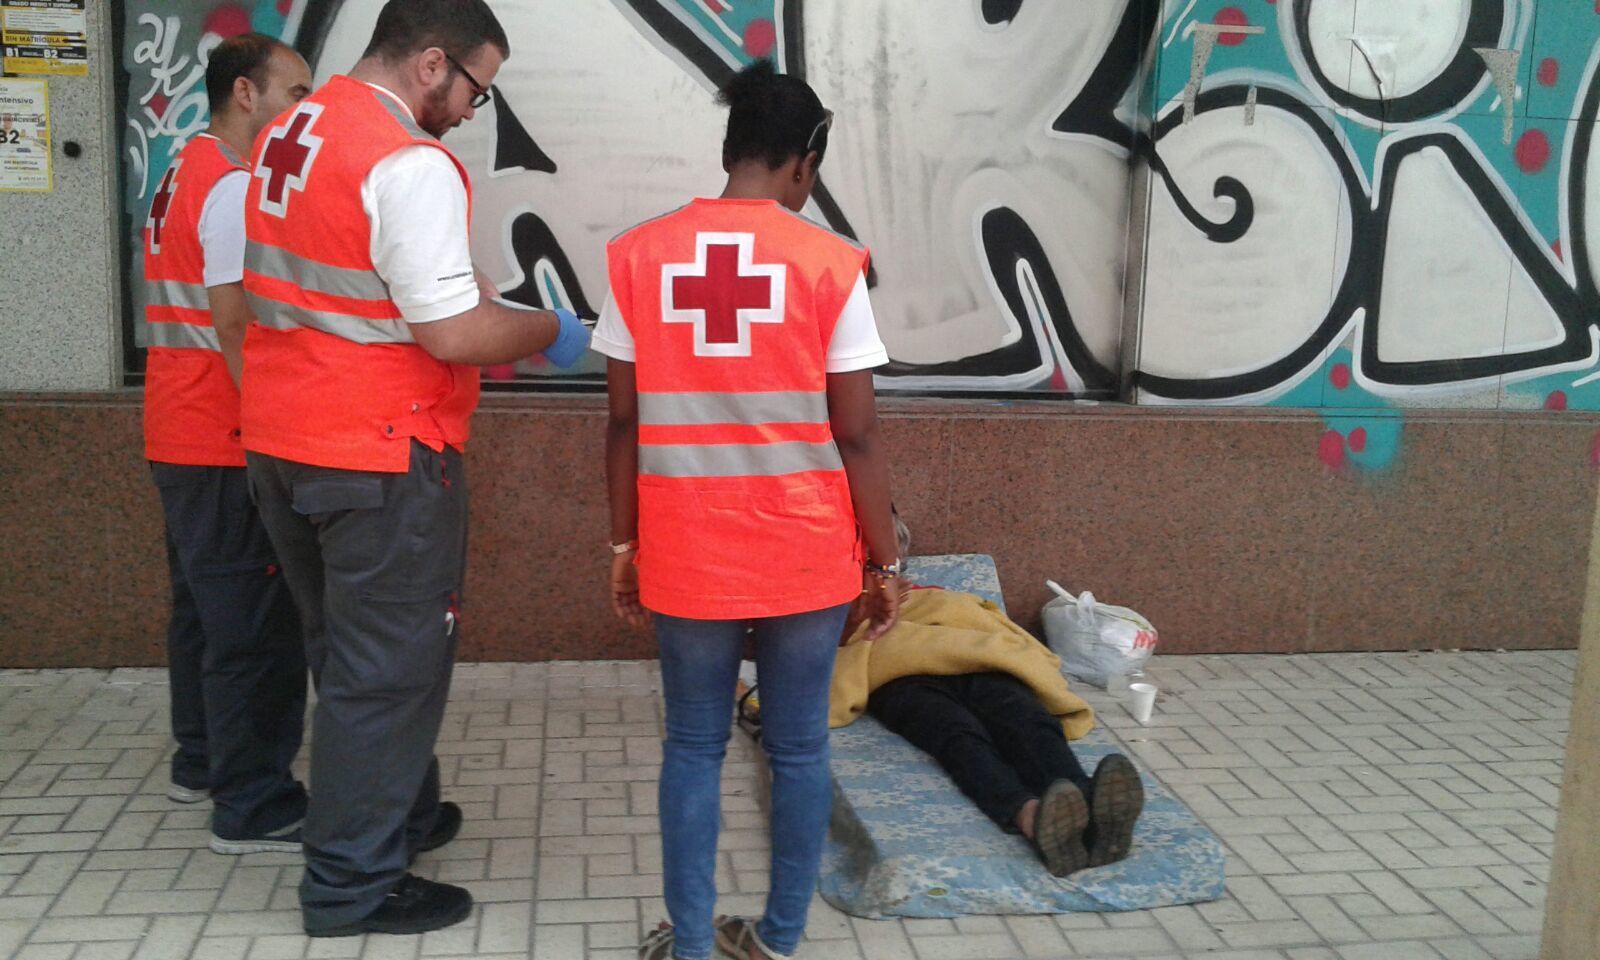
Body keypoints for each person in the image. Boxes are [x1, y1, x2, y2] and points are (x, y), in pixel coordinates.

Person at [237, 0, 591, 938]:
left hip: (280, 438)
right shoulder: (408, 161)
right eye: (479, 86)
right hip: (377, 451)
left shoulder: (295, 128)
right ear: (433, 64)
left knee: (345, 652)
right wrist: (554, 328)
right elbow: (451, 331)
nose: (477, 109)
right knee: (386, 672)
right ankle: (352, 885)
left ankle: (399, 813)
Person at [598, 60, 901, 960]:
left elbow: (622, 422)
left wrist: (626, 543)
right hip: (805, 557)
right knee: (801, 752)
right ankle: (777, 941)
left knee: (692, 747)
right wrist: (883, 564)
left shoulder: (638, 255)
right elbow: (857, 440)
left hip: (686, 553)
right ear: (806, 161)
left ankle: (690, 946)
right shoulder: (831, 266)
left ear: (731, 148)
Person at [141, 32, 313, 856]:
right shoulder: (233, 187)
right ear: (246, 93)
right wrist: (276, 426)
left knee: (202, 615)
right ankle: (254, 801)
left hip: (176, 425)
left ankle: (201, 759)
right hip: (221, 433)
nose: (302, 111)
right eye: (293, 93)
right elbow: (235, 321)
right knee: (253, 626)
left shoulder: (182, 167)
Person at [838, 579, 1146, 878]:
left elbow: (980, 619)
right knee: (956, 734)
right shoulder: (834, 595)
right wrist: (856, 618)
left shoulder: (928, 592)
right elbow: (819, 650)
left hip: (980, 660)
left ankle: (1089, 804)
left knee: (1027, 720)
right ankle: (1032, 816)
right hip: (899, 671)